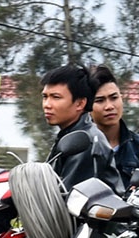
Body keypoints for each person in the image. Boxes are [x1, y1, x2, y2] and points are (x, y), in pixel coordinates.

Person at [39, 63, 121, 194]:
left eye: (56, 97)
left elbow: (66, 197)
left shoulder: (85, 140)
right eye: (45, 97)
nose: (47, 105)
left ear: (80, 103)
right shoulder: (71, 134)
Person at [87, 65, 139, 189]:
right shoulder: (76, 150)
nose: (109, 106)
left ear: (121, 98)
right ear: (86, 106)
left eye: (114, 98)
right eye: (99, 100)